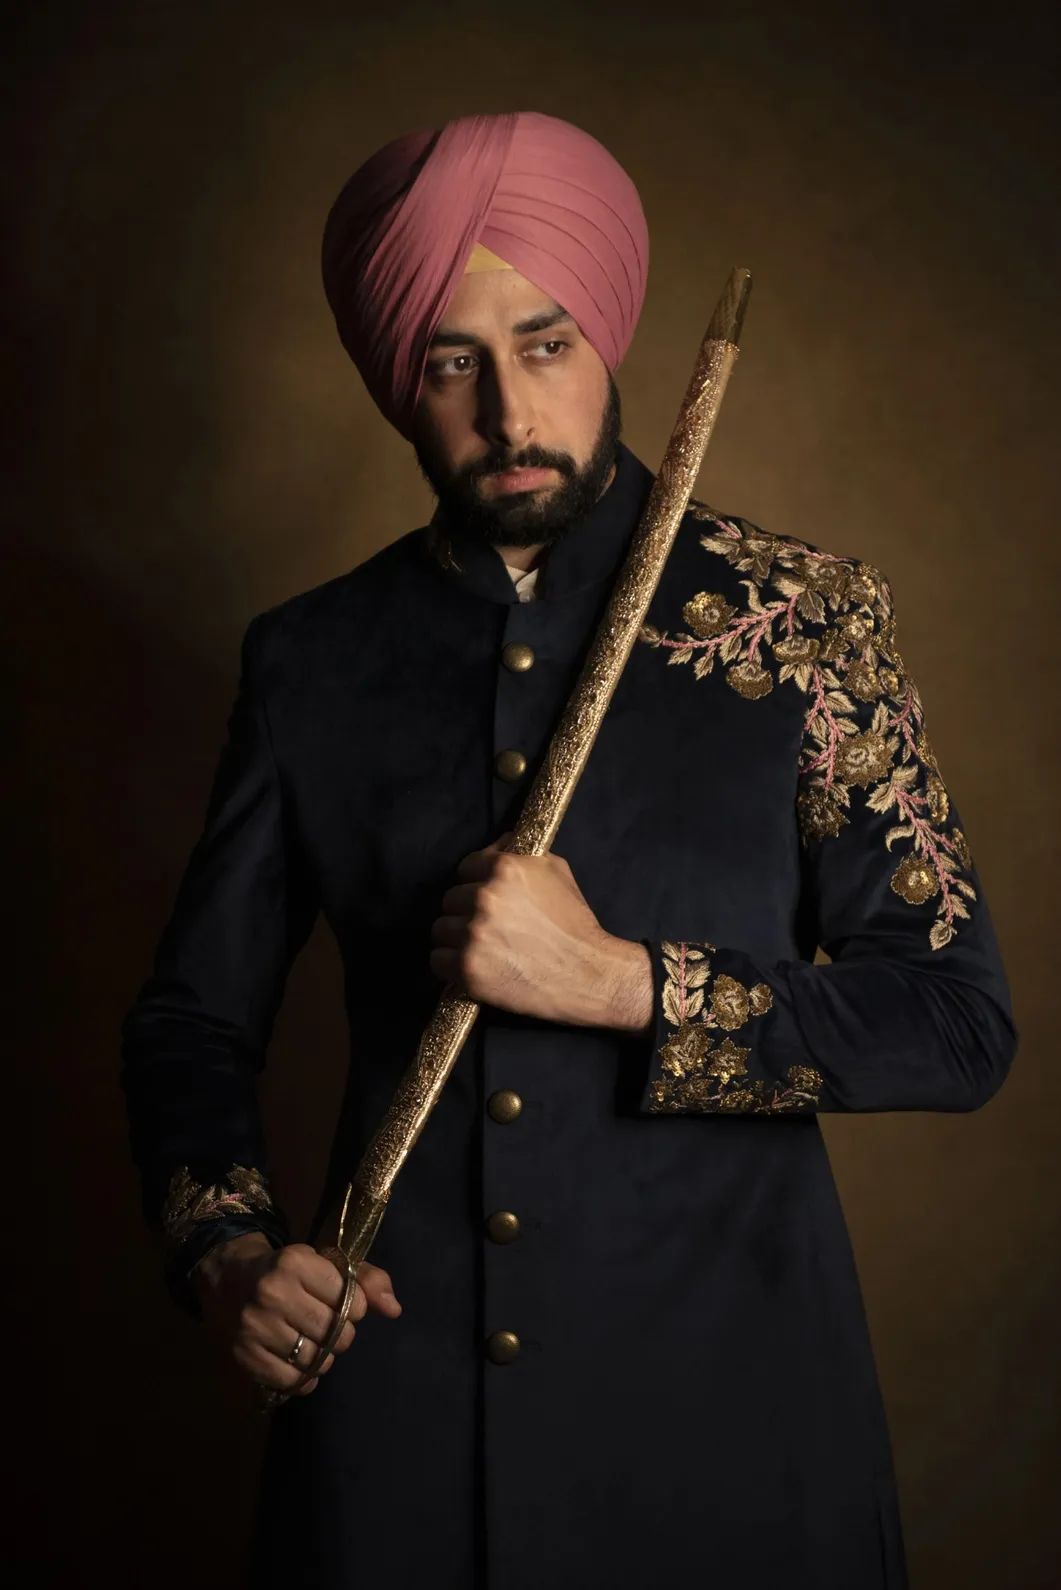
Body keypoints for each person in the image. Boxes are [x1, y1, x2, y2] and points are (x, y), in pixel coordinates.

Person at [120, 110, 1018, 1590]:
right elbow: (192, 1023)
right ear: (394, 375)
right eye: (447, 359)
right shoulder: (309, 660)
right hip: (391, 1443)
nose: (506, 412)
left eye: (542, 344)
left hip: (735, 1430)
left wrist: (628, 984)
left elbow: (955, 1022)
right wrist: (225, 1251)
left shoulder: (800, 618)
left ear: (605, 330)